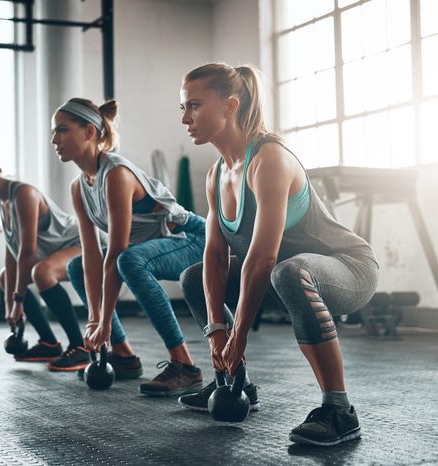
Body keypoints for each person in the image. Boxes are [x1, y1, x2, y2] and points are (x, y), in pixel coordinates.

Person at [176, 63, 379, 446]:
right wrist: (217, 330)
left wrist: (239, 334)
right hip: (283, 273)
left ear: (230, 105)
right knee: (193, 276)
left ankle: (339, 410)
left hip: (349, 269)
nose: (185, 117)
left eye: (195, 106)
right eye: (183, 107)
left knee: (288, 271)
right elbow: (216, 258)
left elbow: (262, 258)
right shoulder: (216, 175)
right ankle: (236, 384)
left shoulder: (268, 160)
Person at [52, 97, 207, 396]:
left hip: (193, 239)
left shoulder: (116, 175)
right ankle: (122, 355)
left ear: (89, 132)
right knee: (76, 264)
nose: (54, 139)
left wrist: (104, 321)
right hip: (155, 246)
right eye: (54, 132)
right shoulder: (78, 187)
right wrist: (95, 320)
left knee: (129, 260)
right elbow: (93, 256)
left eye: (62, 130)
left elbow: (117, 252)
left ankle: (185, 366)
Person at [0, 146, 91, 372]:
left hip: (84, 244)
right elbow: (13, 252)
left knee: (43, 272)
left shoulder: (23, 194)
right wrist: (10, 305)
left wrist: (18, 302)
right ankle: (49, 343)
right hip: (57, 250)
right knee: (7, 276)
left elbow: (27, 252)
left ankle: (80, 347)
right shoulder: (3, 201)